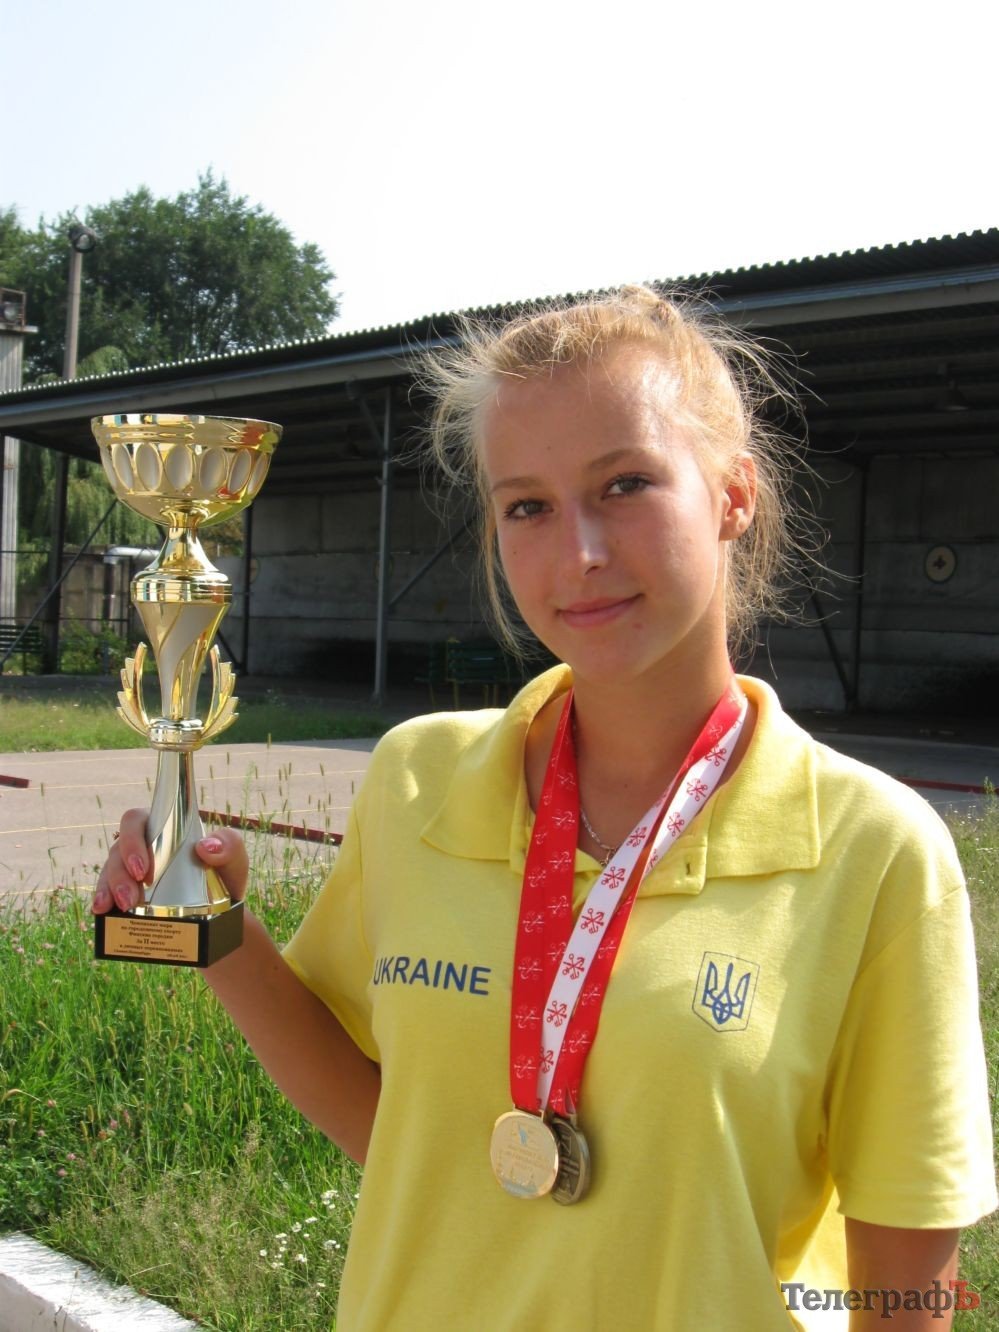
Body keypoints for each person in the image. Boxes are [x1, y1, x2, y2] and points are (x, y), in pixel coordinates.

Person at [94, 287, 996, 1331]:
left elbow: (905, 1282)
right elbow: (404, 1131)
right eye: (526, 504)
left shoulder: (875, 851)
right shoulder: (420, 781)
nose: (580, 553)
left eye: (624, 484)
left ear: (733, 495)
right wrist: (221, 934)